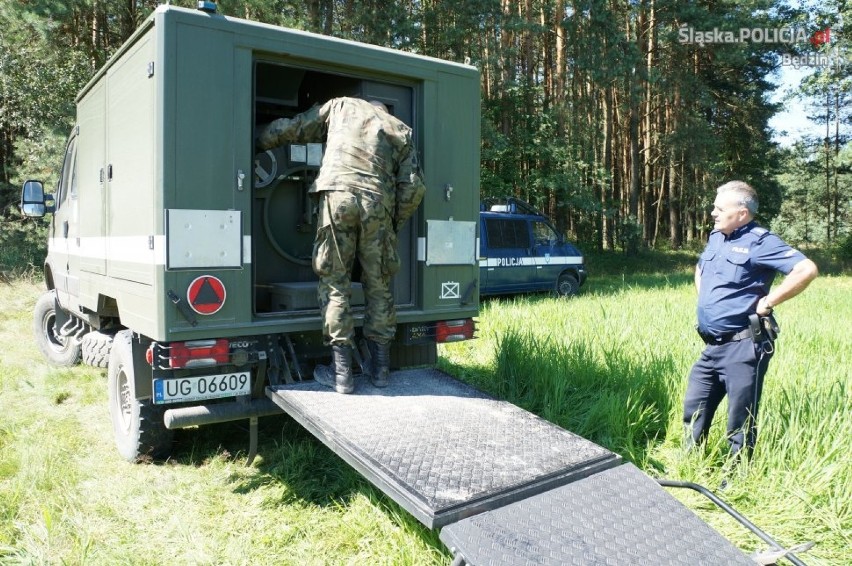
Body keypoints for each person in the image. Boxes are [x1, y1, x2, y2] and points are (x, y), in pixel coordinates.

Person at [257, 97, 425, 394]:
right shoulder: (400, 129)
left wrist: (259, 139)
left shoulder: (341, 106)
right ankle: (380, 369)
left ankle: (342, 374)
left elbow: (296, 128)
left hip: (338, 195)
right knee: (379, 284)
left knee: (335, 281)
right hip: (378, 204)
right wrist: (391, 223)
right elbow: (413, 188)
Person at [683, 180, 818, 458]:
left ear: (742, 213)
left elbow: (806, 269)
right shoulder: (717, 237)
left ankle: (736, 475)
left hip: (743, 346)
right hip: (712, 345)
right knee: (694, 408)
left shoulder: (761, 242)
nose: (713, 213)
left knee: (740, 420)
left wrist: (768, 302)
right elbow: (701, 267)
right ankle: (690, 464)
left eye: (720, 208)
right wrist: (706, 297)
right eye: (714, 207)